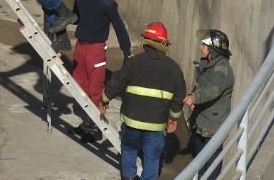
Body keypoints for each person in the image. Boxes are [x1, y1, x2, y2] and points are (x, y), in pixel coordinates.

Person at [100, 22, 187, 180]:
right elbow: (178, 98)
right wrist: (173, 119)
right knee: (152, 159)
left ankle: (128, 177)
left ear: (146, 42)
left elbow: (116, 82)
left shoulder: (134, 62)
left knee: (129, 151)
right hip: (156, 126)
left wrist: (104, 100)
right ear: (164, 44)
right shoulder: (174, 69)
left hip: (131, 122)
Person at [70, 0, 131, 142]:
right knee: (80, 85)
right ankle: (87, 124)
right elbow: (75, 17)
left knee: (95, 88)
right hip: (80, 47)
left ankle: (96, 128)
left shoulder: (109, 4)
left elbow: (119, 26)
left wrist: (126, 51)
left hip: (96, 49)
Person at [183, 29, 234, 179]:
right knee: (200, 166)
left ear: (212, 49)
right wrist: (194, 98)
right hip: (201, 125)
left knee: (210, 170)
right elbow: (201, 86)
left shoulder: (221, 69)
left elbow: (212, 90)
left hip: (213, 129)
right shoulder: (207, 64)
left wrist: (194, 97)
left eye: (204, 45)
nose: (201, 47)